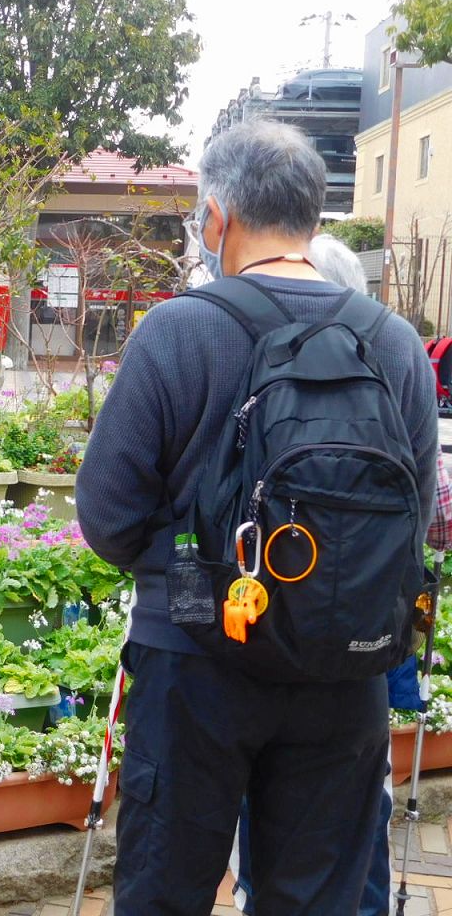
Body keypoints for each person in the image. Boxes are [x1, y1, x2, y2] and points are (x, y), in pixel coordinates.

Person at [77, 120, 439, 914]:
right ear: (314, 219)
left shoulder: (179, 330)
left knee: (165, 889)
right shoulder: (394, 344)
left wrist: (186, 573)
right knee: (318, 898)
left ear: (217, 217)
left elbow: (107, 514)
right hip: (347, 668)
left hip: (197, 658)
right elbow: (419, 515)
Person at [227, 232, 451, 915]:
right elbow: (433, 518)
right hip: (364, 650)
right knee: (354, 818)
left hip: (257, 638)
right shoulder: (396, 356)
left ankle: (254, 894)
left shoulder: (251, 365)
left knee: (260, 813)